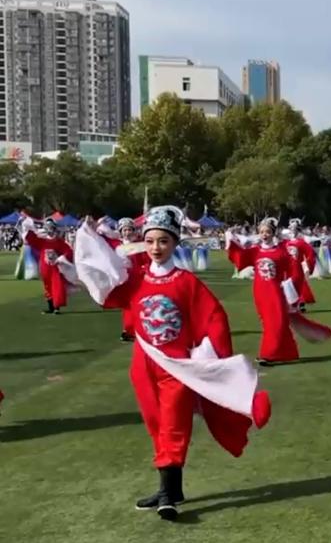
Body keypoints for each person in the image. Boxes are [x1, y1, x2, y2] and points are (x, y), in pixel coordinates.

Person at [73, 206, 272, 521]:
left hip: (176, 367)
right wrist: (90, 237)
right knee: (156, 425)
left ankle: (168, 494)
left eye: (163, 241)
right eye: (151, 241)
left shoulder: (186, 282)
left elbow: (214, 317)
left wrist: (207, 354)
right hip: (143, 365)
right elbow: (106, 285)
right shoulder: (135, 280)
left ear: (174, 244)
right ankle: (171, 487)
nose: (156, 248)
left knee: (174, 426)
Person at [227, 218, 331, 366]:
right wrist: (230, 239)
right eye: (261, 232)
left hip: (275, 292)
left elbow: (294, 271)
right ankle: (288, 353)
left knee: (276, 321)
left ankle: (268, 354)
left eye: (267, 232)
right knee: (271, 322)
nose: (264, 234)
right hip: (260, 292)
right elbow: (239, 257)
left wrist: (292, 286)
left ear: (273, 233)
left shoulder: (281, 252)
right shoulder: (255, 251)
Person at [98, 217, 150, 341]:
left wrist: (145, 270)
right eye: (125, 230)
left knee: (138, 305)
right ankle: (129, 330)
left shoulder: (140, 244)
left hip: (138, 279)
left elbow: (146, 260)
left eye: (129, 229)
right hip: (124, 280)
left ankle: (133, 330)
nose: (127, 232)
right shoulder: (116, 244)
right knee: (128, 306)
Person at [21, 218, 76, 315]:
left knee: (57, 286)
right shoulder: (42, 241)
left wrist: (61, 258)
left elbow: (68, 251)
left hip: (55, 268)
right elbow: (31, 239)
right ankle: (51, 307)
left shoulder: (59, 242)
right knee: (47, 287)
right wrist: (27, 227)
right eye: (48, 228)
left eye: (52, 228)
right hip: (45, 268)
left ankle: (56, 307)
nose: (50, 230)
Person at [284, 219, 317, 311]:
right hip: (287, 267)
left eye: (295, 229)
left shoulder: (301, 243)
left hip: (297, 267)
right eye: (291, 229)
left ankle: (300, 302)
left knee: (298, 283)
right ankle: (292, 303)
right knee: (288, 284)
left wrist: (308, 265)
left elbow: (310, 254)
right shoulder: (286, 243)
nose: (293, 231)